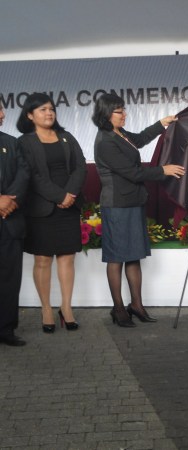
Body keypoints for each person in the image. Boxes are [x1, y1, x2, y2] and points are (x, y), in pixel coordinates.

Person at [92, 93, 185, 327]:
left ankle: (137, 305)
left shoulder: (119, 133)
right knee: (116, 258)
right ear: (106, 114)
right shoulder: (105, 141)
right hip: (117, 206)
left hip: (133, 202)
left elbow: (141, 139)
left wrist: (161, 124)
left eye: (124, 110)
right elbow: (133, 173)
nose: (124, 114)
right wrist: (163, 170)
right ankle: (118, 309)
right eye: (118, 111)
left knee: (133, 255)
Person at [17, 93, 87, 333]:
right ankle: (46, 309)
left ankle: (66, 307)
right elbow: (32, 176)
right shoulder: (24, 142)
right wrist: (59, 196)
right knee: (43, 260)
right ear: (30, 115)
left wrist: (70, 194)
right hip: (41, 208)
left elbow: (80, 166)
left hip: (70, 204)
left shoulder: (67, 137)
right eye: (42, 109)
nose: (49, 113)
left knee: (67, 257)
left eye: (51, 109)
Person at [0, 104, 30, 346]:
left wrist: (10, 200)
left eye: (2, 109)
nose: (2, 114)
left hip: (10, 222)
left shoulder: (12, 142)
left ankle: (6, 329)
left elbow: (24, 174)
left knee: (10, 278)